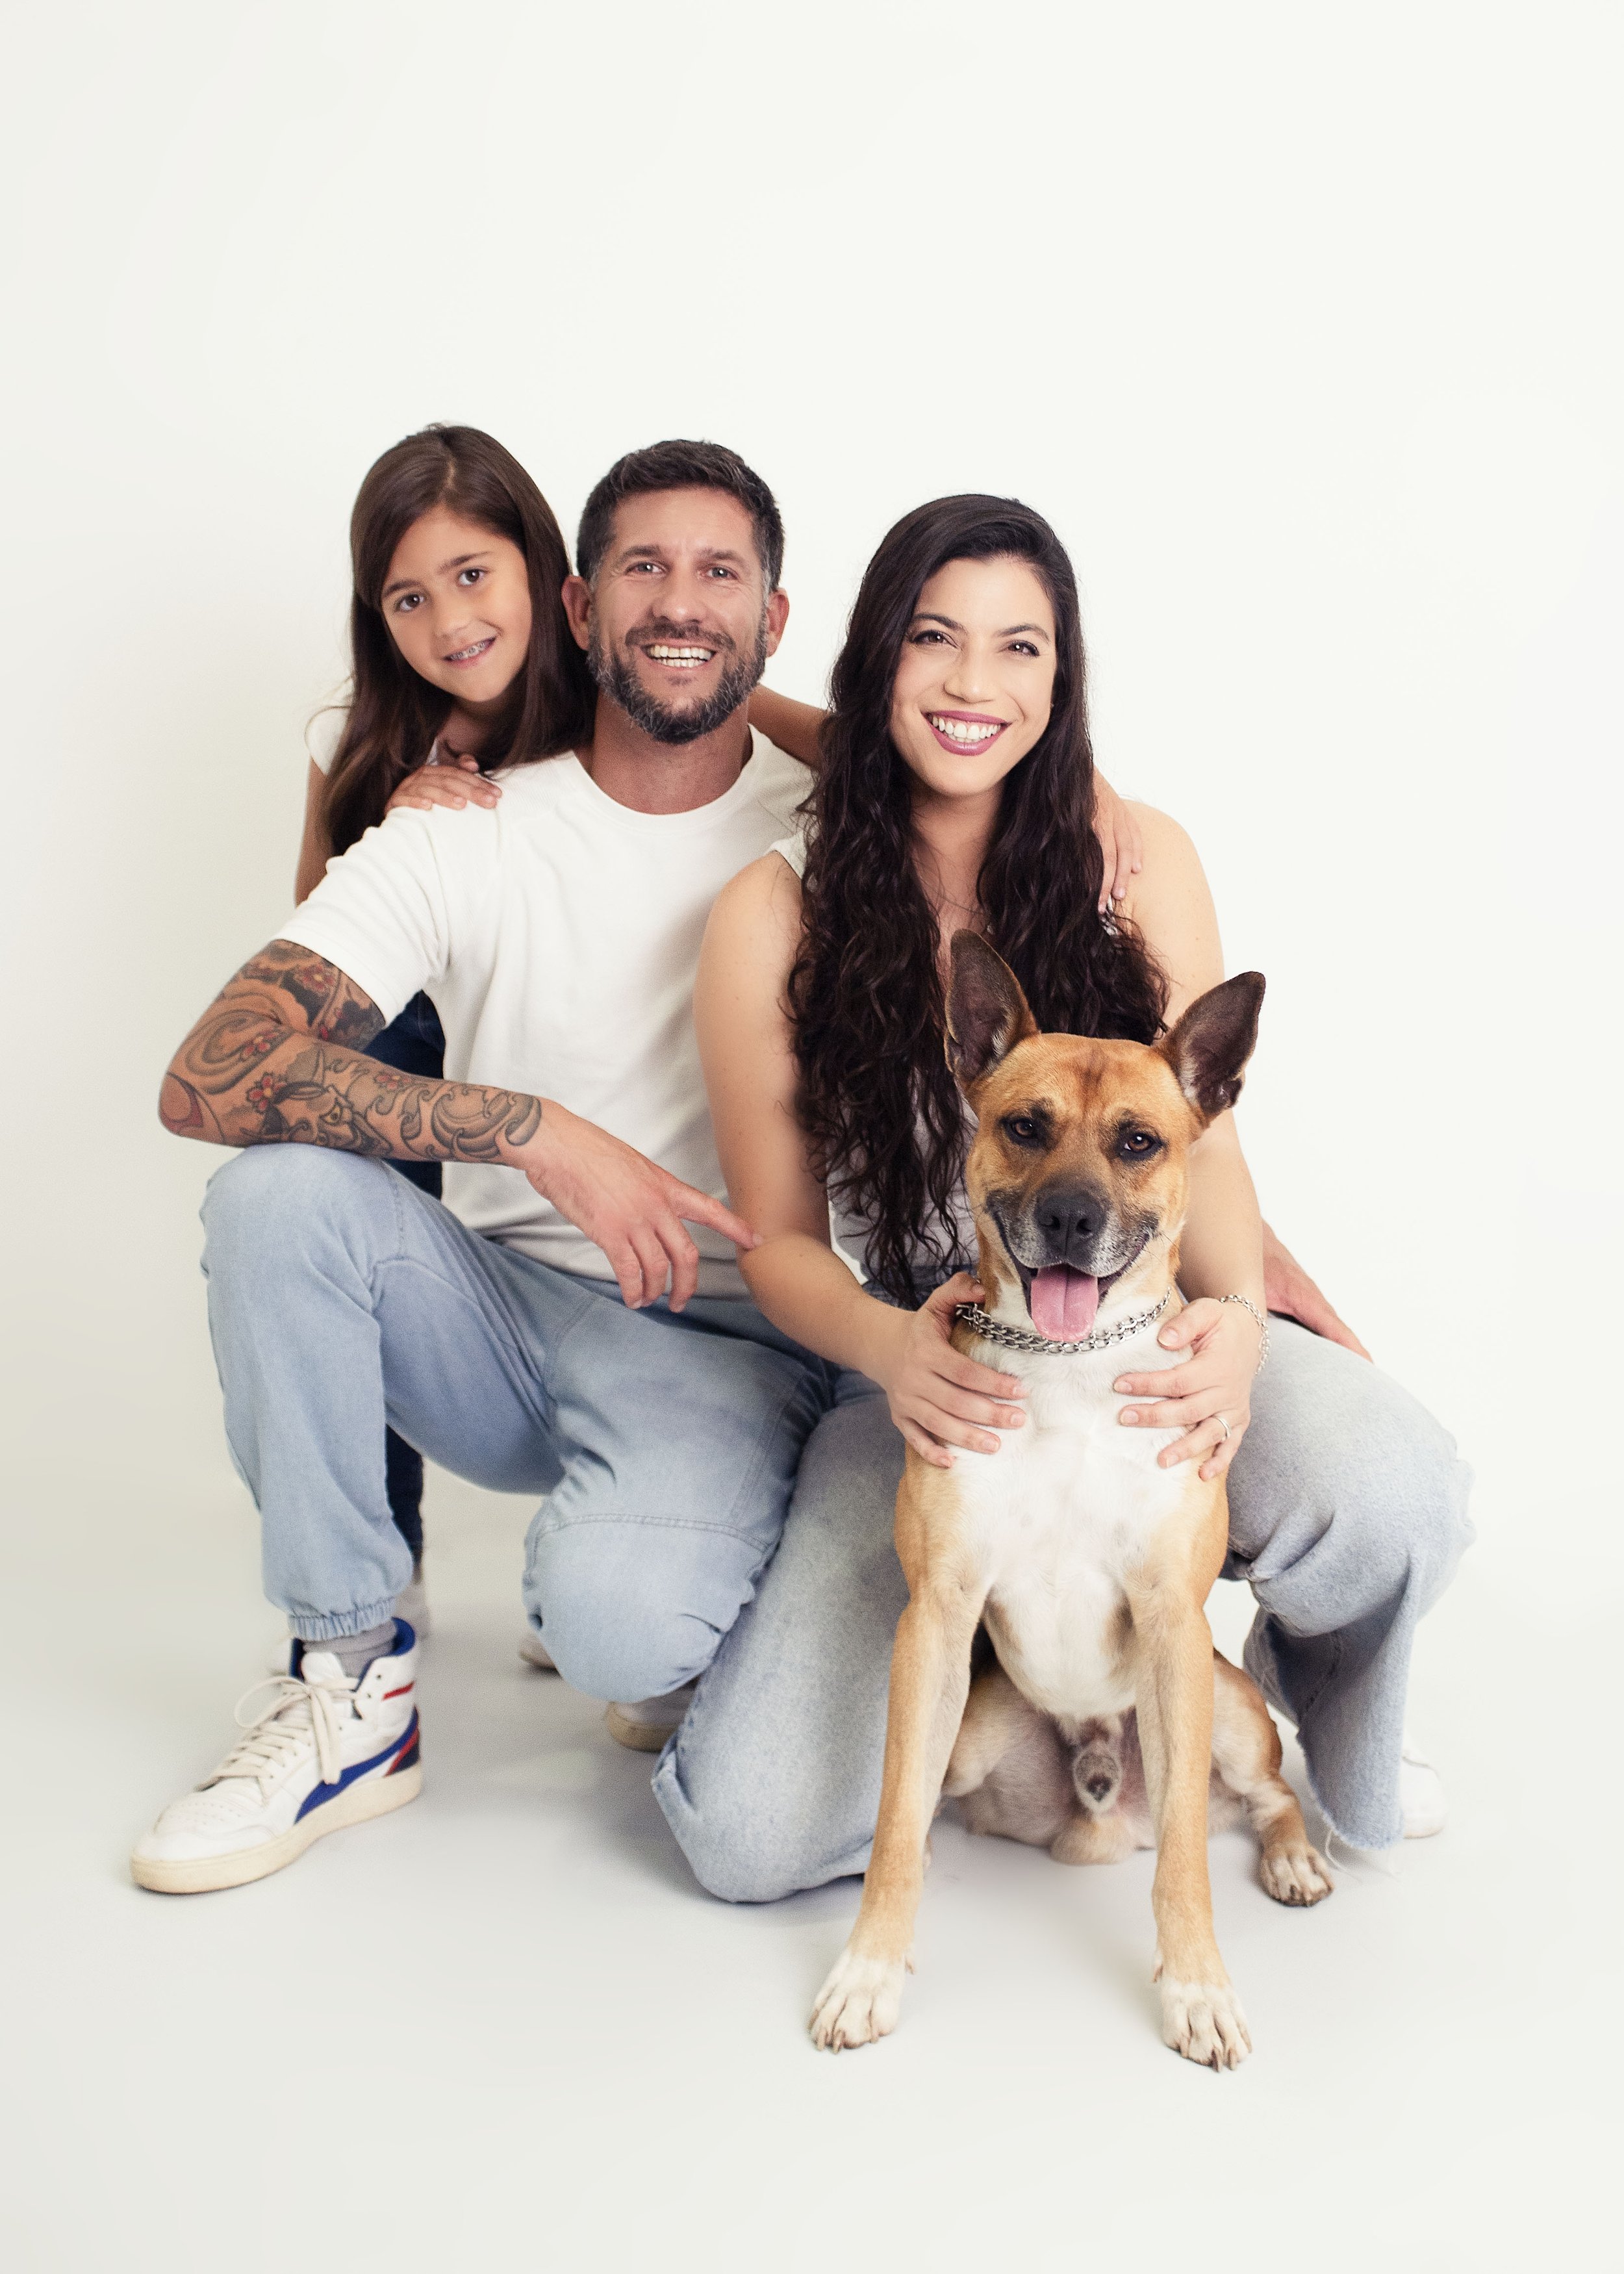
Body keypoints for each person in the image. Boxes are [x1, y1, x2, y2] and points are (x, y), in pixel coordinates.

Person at [675, 493, 1473, 1898]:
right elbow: (779, 1244)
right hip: (921, 1372)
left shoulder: (1133, 854)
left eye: (1019, 649)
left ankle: (1269, 1708)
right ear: (875, 662)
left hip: (1141, 1338)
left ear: (1061, 679)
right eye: (932, 639)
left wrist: (1232, 1318)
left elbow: (1205, 1146)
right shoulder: (771, 912)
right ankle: (719, 1669)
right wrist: (892, 1350)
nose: (975, 684)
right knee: (747, 1837)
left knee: (1389, 1483)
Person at [288, 423, 593, 1629]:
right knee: (335, 1174)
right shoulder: (357, 739)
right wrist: (396, 831)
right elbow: (311, 947)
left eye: (473, 576)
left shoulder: (612, 701)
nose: (448, 622)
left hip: (564, 1019)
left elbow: (812, 737)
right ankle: (381, 1560)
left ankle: (600, 1545)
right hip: (418, 1041)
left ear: (538, 569)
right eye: (408, 598)